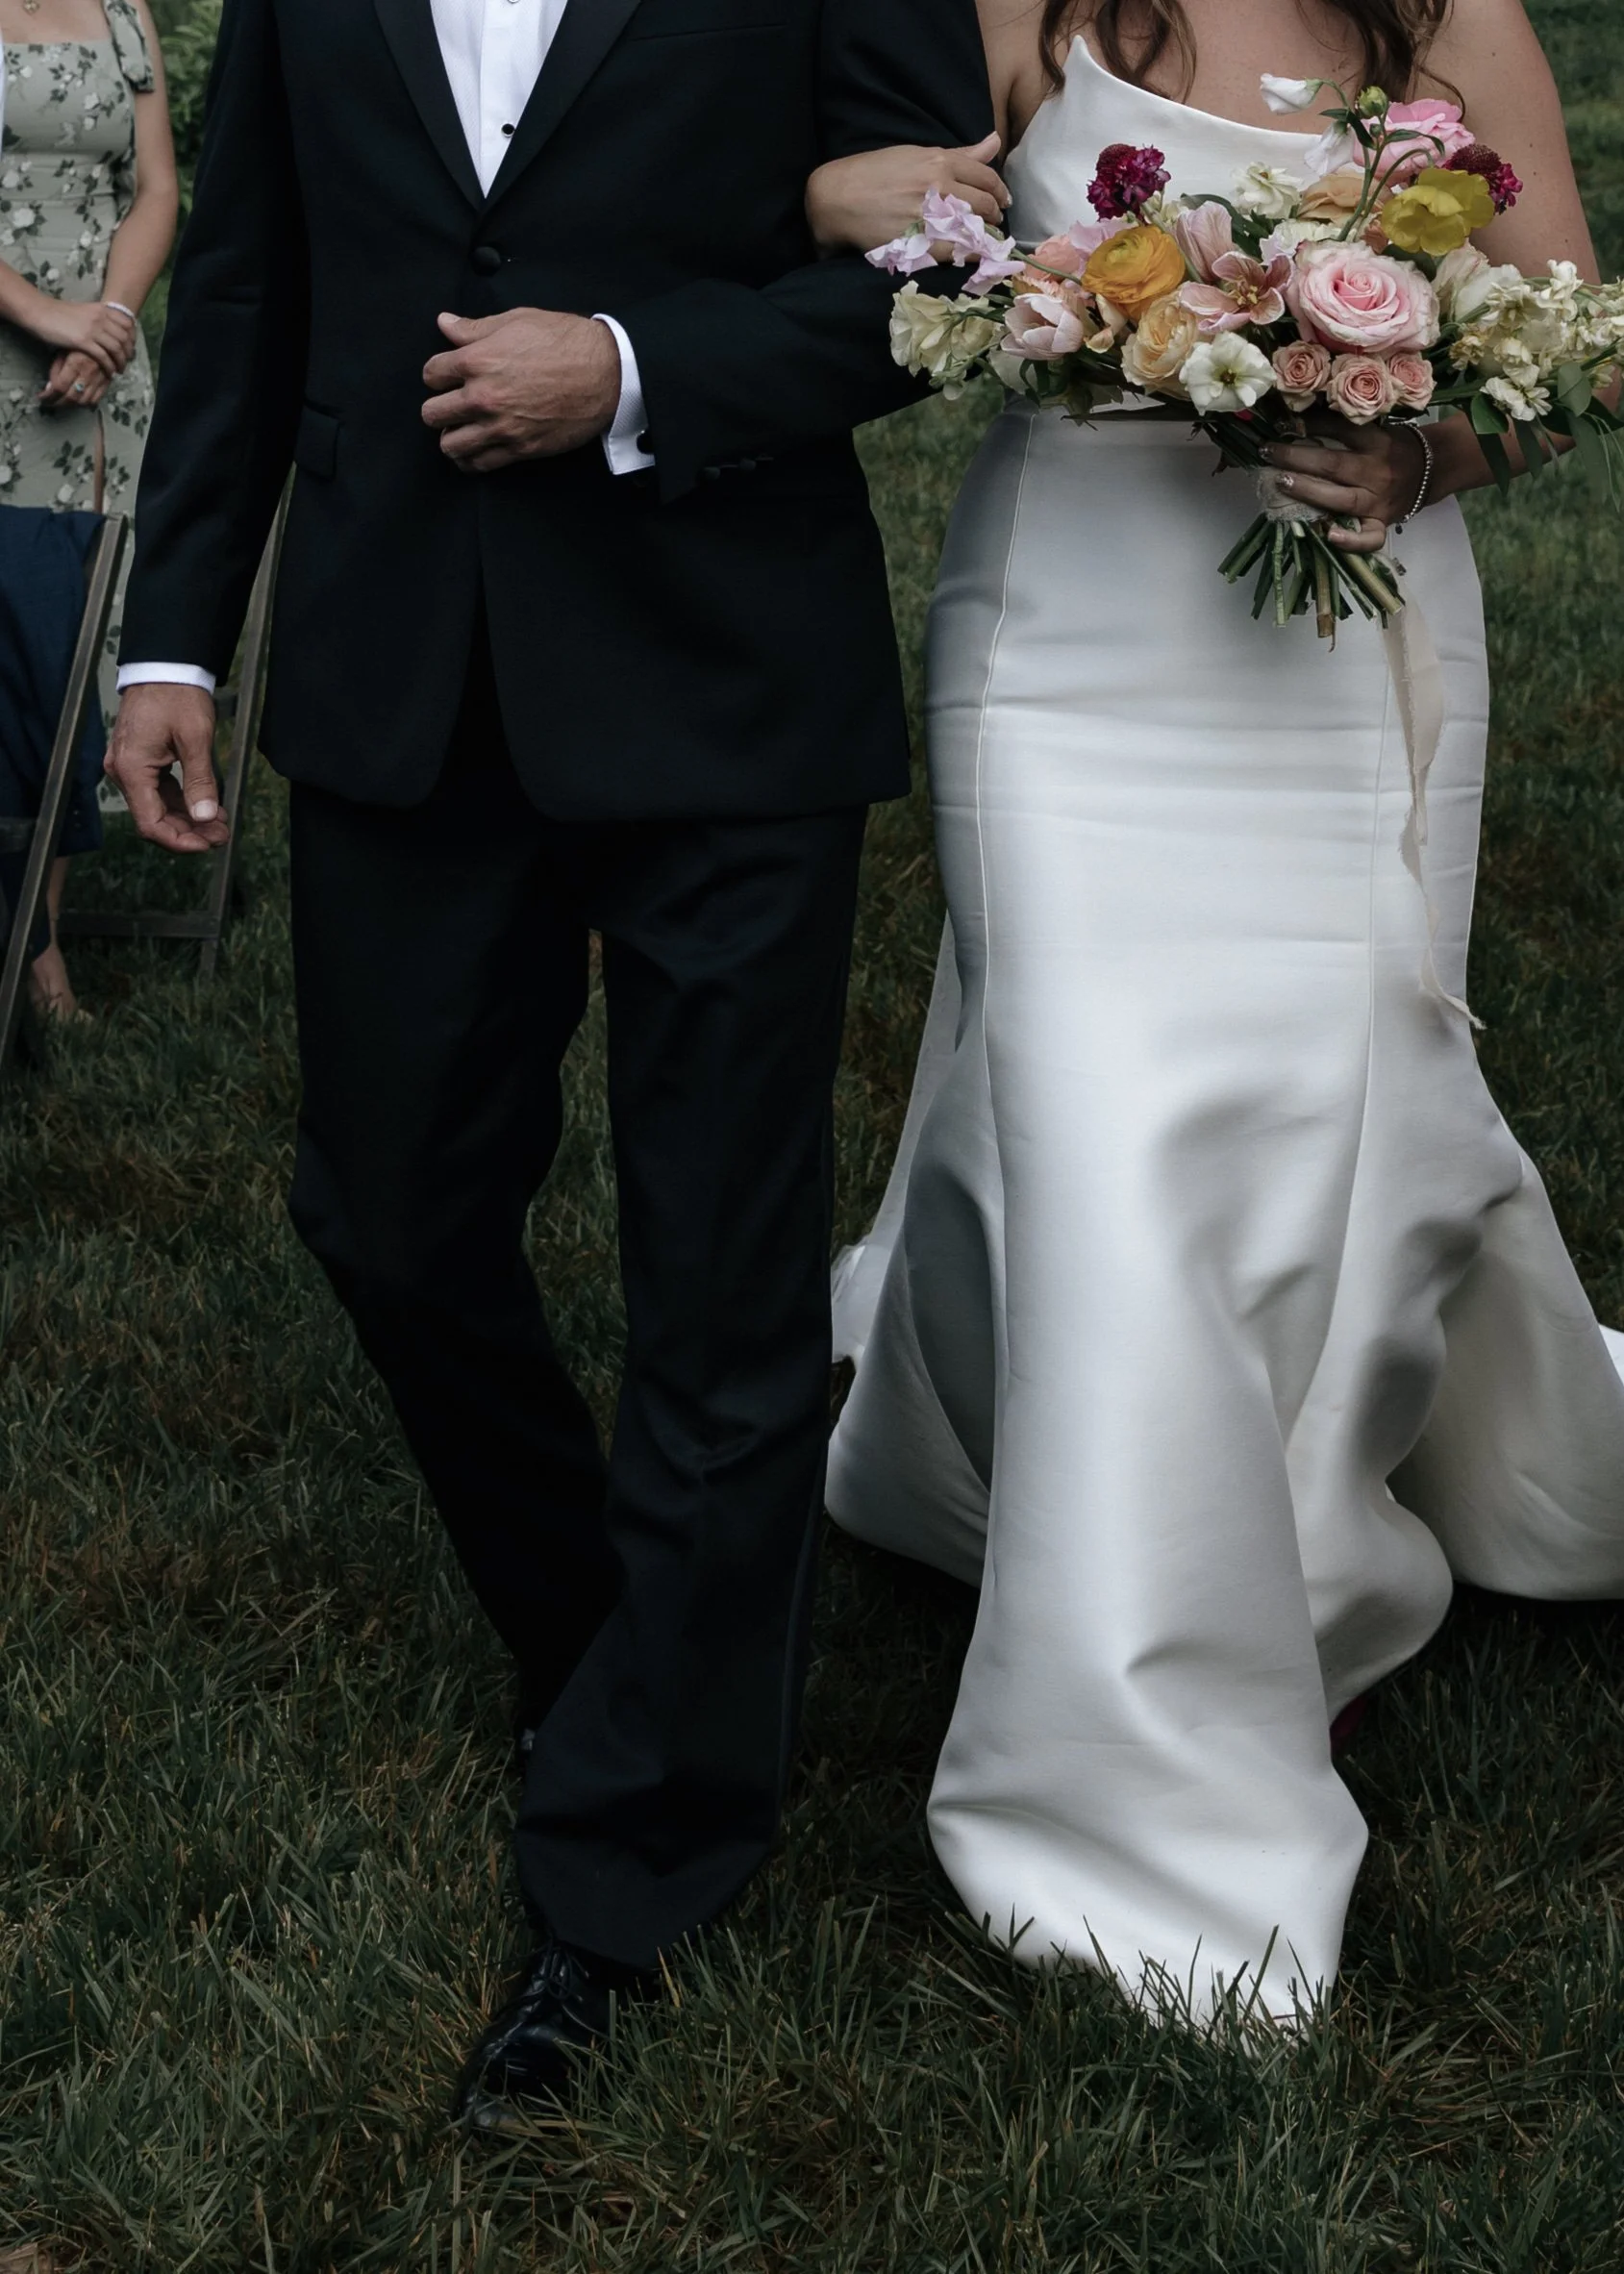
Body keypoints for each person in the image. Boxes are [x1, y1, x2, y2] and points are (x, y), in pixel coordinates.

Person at [104, 0, 995, 2117]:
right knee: (388, 1215)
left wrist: (634, 370)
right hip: (403, 665)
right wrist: (172, 634)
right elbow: (246, 283)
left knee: (719, 1276)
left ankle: (633, 1861)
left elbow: (951, 270)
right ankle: (621, 1641)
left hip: (722, 678)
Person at [813, 0, 1624, 2023]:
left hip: (1351, 645)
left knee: (1332, 1117)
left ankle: (1301, 1565)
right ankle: (1128, 1730)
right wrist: (886, 214)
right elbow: (848, 185)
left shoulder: (1451, 20)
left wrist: (1420, 447)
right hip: (1066, 647)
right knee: (1093, 1128)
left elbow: (1580, 341)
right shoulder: (1032, 9)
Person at [0, 0, 176, 1018]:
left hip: (99, 374)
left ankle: (40, 934)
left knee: (71, 639)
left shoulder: (120, 8)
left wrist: (107, 323)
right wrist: (45, 315)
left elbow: (155, 190)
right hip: (12, 345)